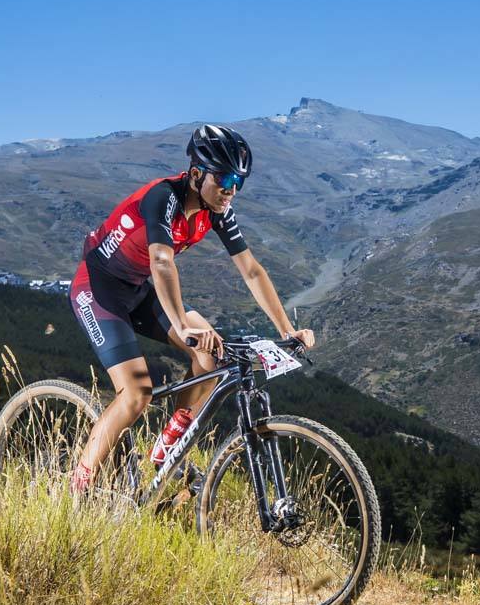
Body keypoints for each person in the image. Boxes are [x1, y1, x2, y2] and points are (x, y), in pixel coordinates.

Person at [68, 124, 315, 491]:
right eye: (225, 178)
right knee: (136, 395)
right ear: (197, 173)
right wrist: (183, 326)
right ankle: (78, 482)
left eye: (239, 182)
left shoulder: (217, 207)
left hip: (135, 288)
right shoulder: (162, 198)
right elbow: (162, 262)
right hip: (98, 289)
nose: (231, 189)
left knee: (211, 354)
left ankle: (169, 444)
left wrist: (286, 330)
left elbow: (251, 270)